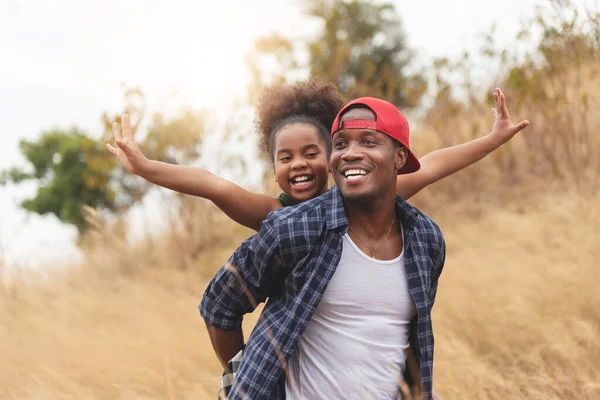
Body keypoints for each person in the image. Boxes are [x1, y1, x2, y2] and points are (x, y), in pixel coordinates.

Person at [200, 96, 455, 399]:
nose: (351, 153)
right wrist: (252, 378)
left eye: (369, 142)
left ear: (399, 157)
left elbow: (410, 341)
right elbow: (219, 306)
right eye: (341, 143)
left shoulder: (426, 240)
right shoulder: (293, 228)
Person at [106, 81, 529, 233]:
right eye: (285, 158)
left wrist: (491, 139)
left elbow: (434, 163)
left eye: (311, 153)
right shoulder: (273, 215)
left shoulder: (364, 199)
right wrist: (145, 167)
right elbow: (211, 183)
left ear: (332, 158)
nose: (299, 164)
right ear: (274, 173)